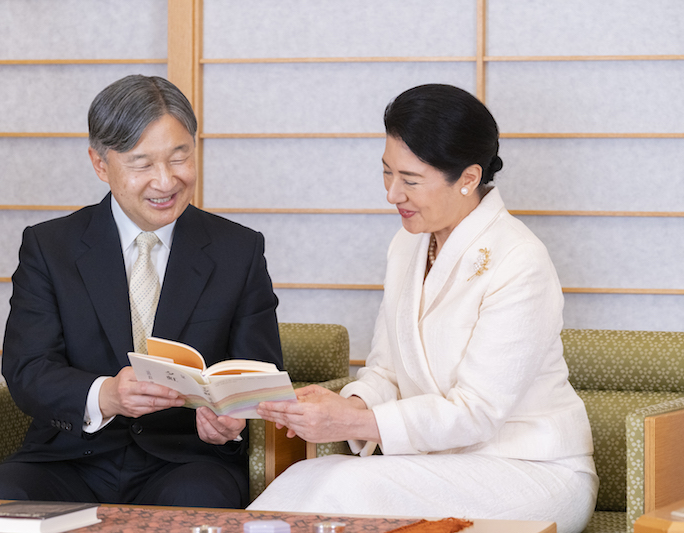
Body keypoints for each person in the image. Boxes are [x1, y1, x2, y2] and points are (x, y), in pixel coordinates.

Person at [249, 84, 597, 533]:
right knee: (308, 477)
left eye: (410, 180)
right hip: (432, 466)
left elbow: (477, 410)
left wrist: (360, 422)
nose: (393, 194)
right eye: (386, 173)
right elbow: (386, 372)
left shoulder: (519, 260)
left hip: (529, 469)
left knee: (341, 489)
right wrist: (347, 403)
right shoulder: (407, 245)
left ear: (469, 178)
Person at [0, 75, 283, 509]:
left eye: (180, 157)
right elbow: (28, 368)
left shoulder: (239, 250)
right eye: (142, 164)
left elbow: (259, 370)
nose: (165, 181)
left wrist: (231, 419)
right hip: (68, 458)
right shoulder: (50, 247)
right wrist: (106, 394)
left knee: (198, 498)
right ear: (100, 164)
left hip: (186, 461)